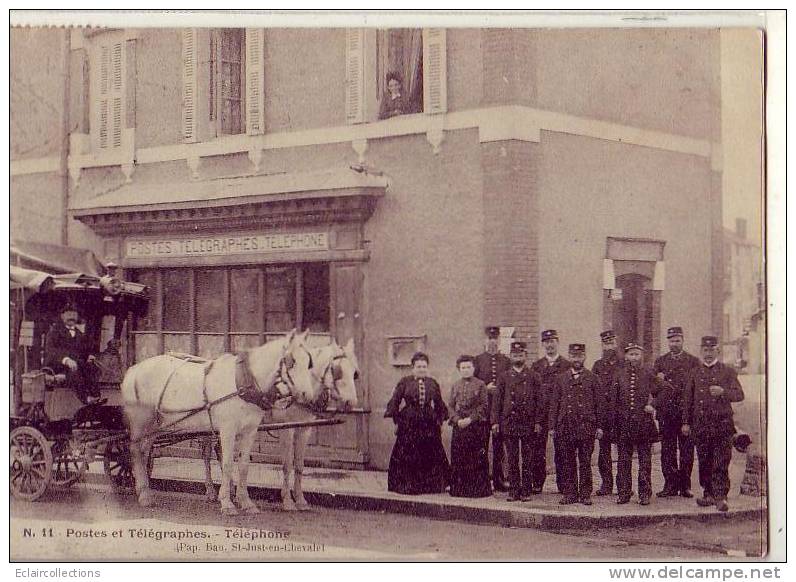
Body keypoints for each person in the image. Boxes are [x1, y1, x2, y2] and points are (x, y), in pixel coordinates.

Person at [681, 336, 745, 513]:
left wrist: (723, 392)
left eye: (711, 350)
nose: (708, 354)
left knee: (721, 461)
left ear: (718, 351)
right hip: (701, 426)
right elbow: (688, 400)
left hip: (722, 425)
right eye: (705, 351)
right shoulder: (694, 372)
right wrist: (686, 422)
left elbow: (739, 394)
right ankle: (708, 493)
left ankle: (721, 497)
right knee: (704, 461)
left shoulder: (727, 371)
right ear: (701, 352)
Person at [385, 352, 450, 494]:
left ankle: (430, 486)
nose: (422, 369)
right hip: (409, 422)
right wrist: (396, 421)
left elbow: (439, 403)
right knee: (408, 453)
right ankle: (408, 485)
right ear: (413, 367)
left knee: (430, 452)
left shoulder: (432, 383)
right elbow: (395, 401)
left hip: (428, 423)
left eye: (424, 366)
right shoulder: (405, 382)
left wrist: (440, 421)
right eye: (419, 366)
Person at [549, 344, 605, 505]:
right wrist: (552, 426)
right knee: (567, 461)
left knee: (585, 461)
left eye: (580, 356)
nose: (577, 359)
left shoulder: (593, 378)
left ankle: (585, 494)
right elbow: (554, 404)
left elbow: (600, 405)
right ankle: (570, 493)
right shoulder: (561, 379)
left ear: (584, 357)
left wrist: (599, 426)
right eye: (573, 356)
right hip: (566, 427)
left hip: (586, 426)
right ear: (569, 357)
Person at [609, 343, 661, 506]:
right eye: (631, 354)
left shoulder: (648, 373)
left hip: (643, 424)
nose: (634, 357)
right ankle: (624, 493)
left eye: (637, 354)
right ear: (626, 356)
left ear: (642, 356)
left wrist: (653, 405)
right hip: (624, 425)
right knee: (624, 460)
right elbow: (613, 399)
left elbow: (667, 390)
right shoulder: (619, 374)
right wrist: (614, 421)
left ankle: (644, 493)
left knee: (645, 461)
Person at [491, 341, 542, 502]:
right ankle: (514, 490)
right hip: (509, 422)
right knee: (512, 459)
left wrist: (538, 422)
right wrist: (495, 422)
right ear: (511, 357)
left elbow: (540, 401)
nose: (518, 357)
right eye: (515, 355)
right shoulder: (504, 377)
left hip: (528, 423)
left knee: (527, 459)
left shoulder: (534, 376)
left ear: (525, 356)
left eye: (520, 355)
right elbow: (497, 401)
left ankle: (526, 490)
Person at [653, 326, 701, 498]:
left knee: (687, 450)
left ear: (683, 341)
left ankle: (685, 485)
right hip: (667, 414)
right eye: (671, 341)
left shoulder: (693, 361)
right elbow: (653, 388)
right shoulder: (660, 361)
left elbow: (698, 388)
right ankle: (670, 485)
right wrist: (659, 381)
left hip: (685, 414)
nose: (674, 344)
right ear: (668, 341)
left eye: (677, 340)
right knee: (667, 450)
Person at [530, 329, 570, 493]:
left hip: (559, 413)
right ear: (543, 345)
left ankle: (563, 484)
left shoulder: (566, 365)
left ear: (557, 343)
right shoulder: (537, 366)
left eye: (552, 341)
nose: (549, 345)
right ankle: (537, 482)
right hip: (541, 413)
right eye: (546, 342)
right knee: (538, 449)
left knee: (561, 448)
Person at [474, 326, 512, 492]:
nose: (492, 342)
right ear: (485, 340)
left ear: (499, 340)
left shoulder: (506, 360)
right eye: (489, 339)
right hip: (483, 410)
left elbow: (510, 383)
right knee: (481, 445)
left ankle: (499, 480)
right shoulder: (477, 360)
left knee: (499, 448)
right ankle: (481, 480)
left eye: (495, 339)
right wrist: (485, 388)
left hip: (500, 410)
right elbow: (472, 383)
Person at [448, 355, 492, 498]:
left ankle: (476, 490)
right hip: (459, 427)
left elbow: (484, 406)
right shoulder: (455, 385)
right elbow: (450, 406)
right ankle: (459, 490)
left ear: (473, 368)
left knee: (476, 459)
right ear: (459, 370)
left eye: (468, 367)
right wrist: (456, 419)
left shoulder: (481, 385)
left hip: (475, 428)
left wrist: (470, 419)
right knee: (459, 458)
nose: (466, 370)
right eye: (463, 368)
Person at [44, 304, 101, 404]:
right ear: (62, 316)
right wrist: (66, 360)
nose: (71, 317)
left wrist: (89, 356)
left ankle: (96, 396)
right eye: (68, 314)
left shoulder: (79, 334)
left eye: (74, 315)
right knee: (75, 371)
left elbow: (84, 350)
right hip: (57, 366)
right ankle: (86, 398)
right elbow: (51, 351)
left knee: (93, 368)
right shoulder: (54, 332)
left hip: (77, 364)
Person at [591, 330, 622, 496]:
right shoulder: (597, 365)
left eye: (611, 343)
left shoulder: (624, 363)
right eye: (606, 343)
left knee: (623, 450)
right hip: (603, 414)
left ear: (616, 343)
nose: (609, 346)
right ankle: (606, 484)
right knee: (604, 451)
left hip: (620, 413)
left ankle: (623, 484)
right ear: (602, 345)